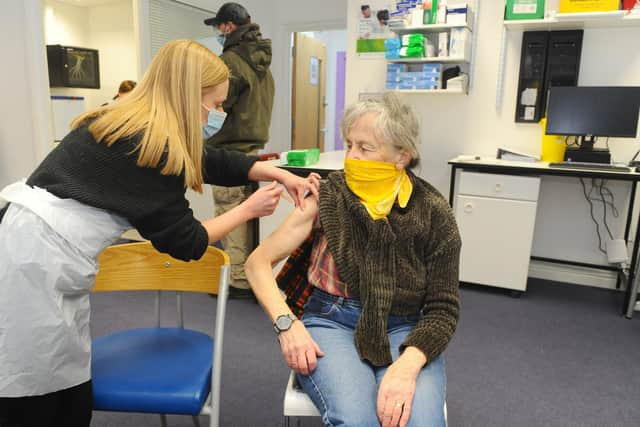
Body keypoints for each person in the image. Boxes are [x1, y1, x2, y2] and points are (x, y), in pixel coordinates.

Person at [0, 39, 318, 427]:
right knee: (33, 392)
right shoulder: (150, 146)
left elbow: (205, 158)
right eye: (216, 105)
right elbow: (188, 242)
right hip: (33, 265)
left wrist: (269, 170)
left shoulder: (128, 120)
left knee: (62, 375)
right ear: (189, 97)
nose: (217, 114)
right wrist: (247, 209)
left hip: (31, 245)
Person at [245, 93, 461, 427]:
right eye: (349, 145)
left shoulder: (434, 212)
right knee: (359, 421)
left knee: (420, 422)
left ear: (402, 155)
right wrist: (287, 325)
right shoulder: (328, 196)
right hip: (332, 320)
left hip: (404, 325)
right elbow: (257, 263)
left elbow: (443, 309)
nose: (351, 157)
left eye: (365, 148)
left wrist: (407, 365)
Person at [203, 2, 275, 299]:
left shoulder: (231, 61)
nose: (218, 33)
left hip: (229, 149)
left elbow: (218, 104)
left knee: (230, 214)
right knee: (246, 217)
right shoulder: (262, 63)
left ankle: (237, 281)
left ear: (229, 26)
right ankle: (248, 275)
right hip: (253, 147)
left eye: (219, 27)